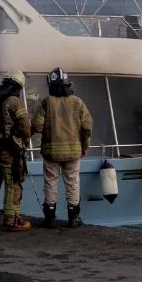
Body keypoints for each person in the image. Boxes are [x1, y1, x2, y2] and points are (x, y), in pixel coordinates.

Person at [32, 67, 93, 228]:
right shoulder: (78, 102)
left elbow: (37, 126)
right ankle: (73, 218)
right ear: (67, 83)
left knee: (50, 182)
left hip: (51, 152)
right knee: (73, 183)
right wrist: (84, 146)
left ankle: (50, 219)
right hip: (73, 152)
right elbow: (87, 127)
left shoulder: (46, 102)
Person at [0, 70, 31, 232]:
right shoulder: (15, 102)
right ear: (18, 86)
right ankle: (12, 220)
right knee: (13, 183)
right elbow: (25, 127)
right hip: (8, 151)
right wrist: (25, 140)